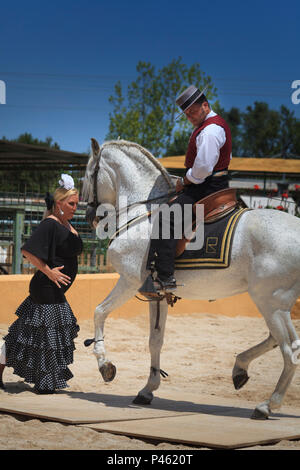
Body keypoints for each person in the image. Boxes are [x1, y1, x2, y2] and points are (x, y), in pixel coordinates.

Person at [140, 84, 232, 294]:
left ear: (206, 106)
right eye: (186, 114)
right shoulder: (214, 126)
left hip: (206, 187)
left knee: (166, 217)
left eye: (192, 112)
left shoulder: (210, 131)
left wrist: (183, 181)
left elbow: (201, 170)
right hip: (216, 182)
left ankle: (164, 277)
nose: (189, 117)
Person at [0, 174, 83, 394]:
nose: (76, 207)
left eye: (77, 203)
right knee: (44, 337)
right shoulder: (50, 224)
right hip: (45, 288)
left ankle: (43, 380)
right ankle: (46, 383)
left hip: (52, 291)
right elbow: (26, 250)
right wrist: (49, 272)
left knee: (24, 334)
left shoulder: (64, 223)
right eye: (71, 203)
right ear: (59, 204)